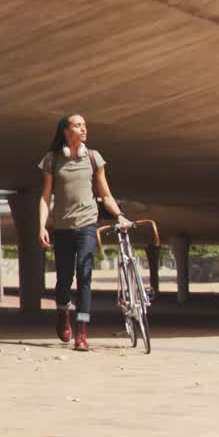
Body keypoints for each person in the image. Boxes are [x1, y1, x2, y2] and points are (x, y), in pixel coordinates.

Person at [37, 114, 130, 351]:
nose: (84, 128)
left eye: (85, 125)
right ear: (66, 131)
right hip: (62, 228)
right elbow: (45, 197)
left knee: (85, 276)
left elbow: (106, 194)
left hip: (88, 225)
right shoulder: (52, 159)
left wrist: (119, 215)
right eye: (78, 125)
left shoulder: (93, 157)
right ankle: (62, 313)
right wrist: (41, 226)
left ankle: (81, 331)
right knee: (63, 280)